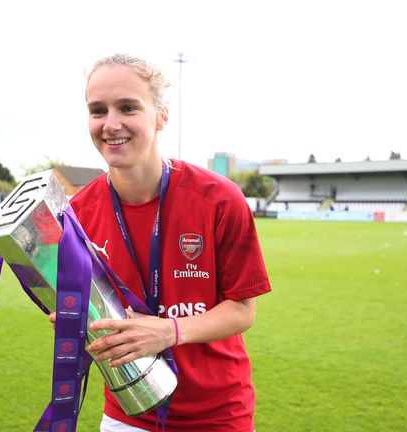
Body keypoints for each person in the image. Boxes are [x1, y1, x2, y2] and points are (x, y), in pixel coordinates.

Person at [65, 54, 272, 432]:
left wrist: (168, 331)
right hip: (126, 414)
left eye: (128, 107)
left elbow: (243, 310)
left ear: (161, 116)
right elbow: (88, 305)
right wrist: (75, 318)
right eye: (98, 111)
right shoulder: (77, 214)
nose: (111, 124)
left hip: (217, 415)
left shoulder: (220, 200)